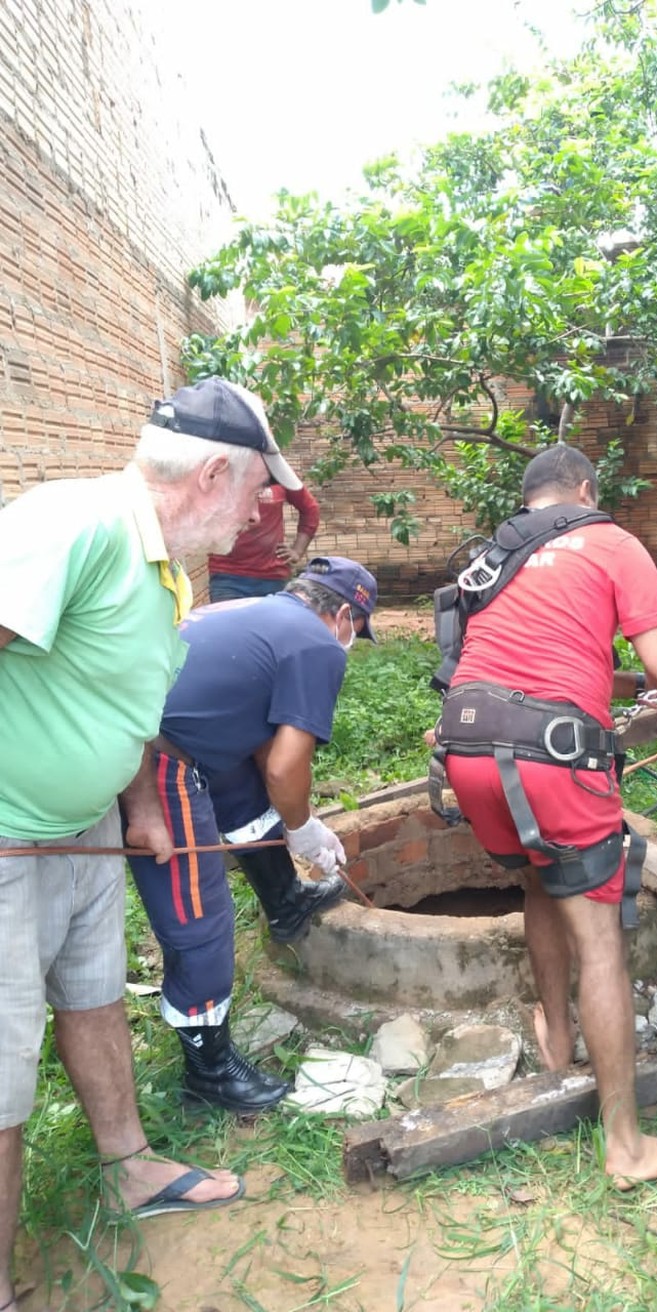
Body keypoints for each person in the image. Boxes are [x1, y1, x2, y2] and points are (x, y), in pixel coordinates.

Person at [0, 375, 303, 1310]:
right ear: (213, 472)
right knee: (3, 1077)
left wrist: (137, 806)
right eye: (258, 489)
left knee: (92, 1001)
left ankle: (130, 1165)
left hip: (81, 832)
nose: (260, 510)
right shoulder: (75, 524)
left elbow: (127, 702)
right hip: (9, 847)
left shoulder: (167, 567)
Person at [436, 446, 657, 1187]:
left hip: (467, 751)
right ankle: (627, 1146)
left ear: (530, 501)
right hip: (552, 757)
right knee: (601, 944)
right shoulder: (612, 541)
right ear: (584, 489)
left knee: (539, 883)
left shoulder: (491, 557)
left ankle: (555, 1041)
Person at [126, 557, 378, 1115]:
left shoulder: (251, 610)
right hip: (154, 765)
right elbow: (287, 769)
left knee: (243, 790)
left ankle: (285, 901)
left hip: (160, 736)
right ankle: (209, 1072)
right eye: (357, 632)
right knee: (199, 917)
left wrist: (291, 820)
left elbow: (261, 741)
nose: (351, 643)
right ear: (341, 616)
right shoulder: (314, 644)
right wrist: (301, 826)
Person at [207, 476, 322, 603]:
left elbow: (310, 509)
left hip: (272, 576)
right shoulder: (221, 470)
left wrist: (297, 550)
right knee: (229, 622)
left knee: (271, 623)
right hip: (227, 575)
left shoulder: (277, 471)